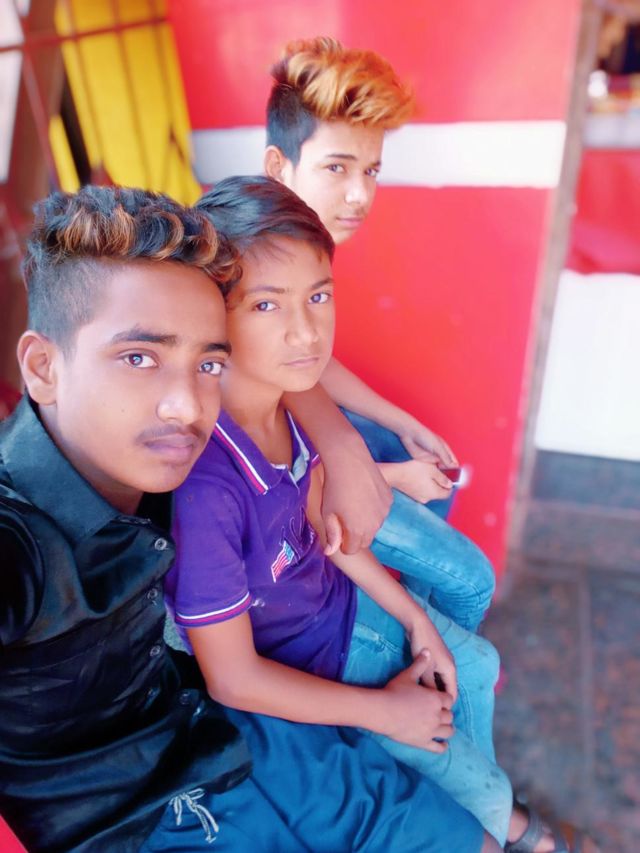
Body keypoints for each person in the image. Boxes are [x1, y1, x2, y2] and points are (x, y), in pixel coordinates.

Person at [0, 185, 494, 853]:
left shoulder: (167, 457)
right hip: (124, 820)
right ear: (43, 367)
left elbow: (284, 371)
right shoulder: (21, 539)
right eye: (139, 358)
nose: (186, 405)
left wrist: (344, 446)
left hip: (214, 728)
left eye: (209, 363)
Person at [169, 175, 592, 853]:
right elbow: (232, 678)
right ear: (212, 318)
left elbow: (325, 529)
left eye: (319, 296)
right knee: (478, 782)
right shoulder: (206, 487)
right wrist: (384, 712)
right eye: (266, 305)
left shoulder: (285, 400)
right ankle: (482, 808)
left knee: (476, 662)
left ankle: (463, 784)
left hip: (345, 613)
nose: (306, 330)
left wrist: (413, 617)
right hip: (319, 664)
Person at [262, 37, 495, 633]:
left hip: (293, 433)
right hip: (267, 473)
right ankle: (430, 650)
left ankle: (415, 632)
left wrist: (400, 422)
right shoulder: (257, 256)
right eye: (336, 168)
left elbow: (310, 363)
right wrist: (380, 473)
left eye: (370, 171)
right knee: (473, 581)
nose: (360, 194)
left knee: (423, 466)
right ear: (279, 167)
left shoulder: (300, 237)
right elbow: (259, 448)